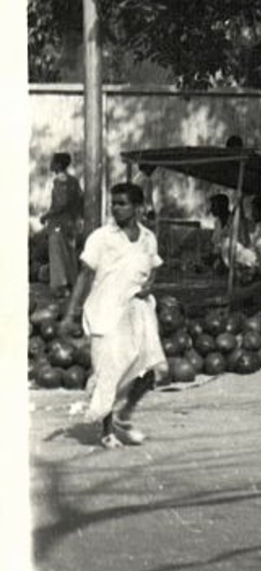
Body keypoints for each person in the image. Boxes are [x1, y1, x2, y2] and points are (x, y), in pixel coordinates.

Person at [64, 182, 166, 449]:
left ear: (138, 207)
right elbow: (85, 274)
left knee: (148, 371)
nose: (116, 208)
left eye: (123, 203)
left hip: (136, 312)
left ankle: (124, 413)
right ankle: (107, 431)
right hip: (105, 312)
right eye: (114, 203)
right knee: (109, 372)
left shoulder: (147, 238)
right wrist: (70, 312)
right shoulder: (101, 237)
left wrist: (148, 286)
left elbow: (154, 266)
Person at [42, 152, 85, 298]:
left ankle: (60, 288)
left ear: (58, 165)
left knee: (57, 254)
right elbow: (80, 199)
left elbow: (60, 204)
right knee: (70, 254)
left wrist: (45, 216)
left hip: (58, 224)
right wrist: (78, 218)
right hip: (70, 223)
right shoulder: (74, 181)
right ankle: (72, 285)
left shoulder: (59, 181)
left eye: (53, 161)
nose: (51, 164)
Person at [207, 193, 257, 274]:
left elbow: (242, 246)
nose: (211, 209)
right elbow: (216, 245)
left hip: (236, 263)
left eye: (214, 206)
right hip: (219, 262)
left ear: (222, 206)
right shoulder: (217, 223)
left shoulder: (237, 222)